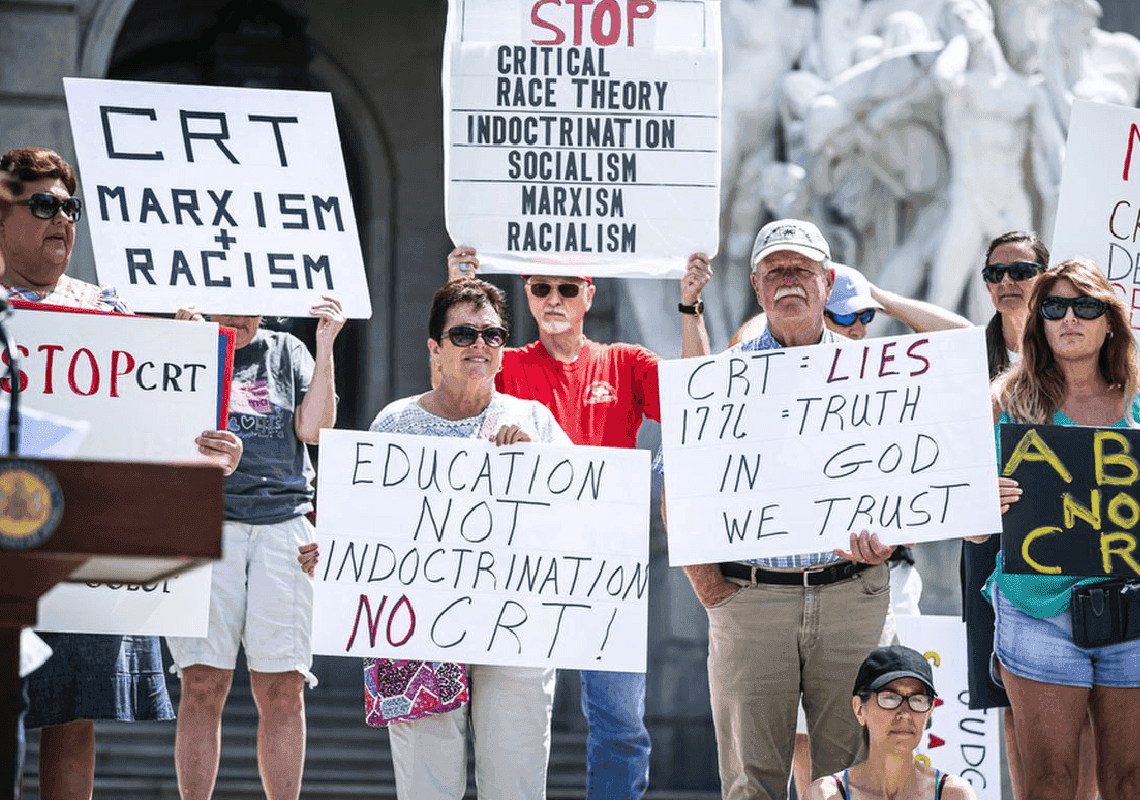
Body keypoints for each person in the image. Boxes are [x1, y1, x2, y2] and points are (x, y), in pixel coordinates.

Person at [0, 146, 243, 800]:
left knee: (73, 713)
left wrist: (205, 444)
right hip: (5, 539)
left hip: (81, 538)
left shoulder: (108, 309)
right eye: (44, 205)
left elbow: (148, 420)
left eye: (71, 208)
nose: (62, 221)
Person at [443, 247, 711, 799]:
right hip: (523, 562)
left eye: (568, 289)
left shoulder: (626, 361)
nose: (554, 300)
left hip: (606, 564)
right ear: (526, 295)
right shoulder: (507, 363)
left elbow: (698, 400)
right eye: (541, 289)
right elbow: (448, 387)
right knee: (515, 721)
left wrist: (689, 307)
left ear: (590, 294)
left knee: (618, 723)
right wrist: (460, 298)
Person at [302, 277, 571, 798]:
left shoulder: (535, 421)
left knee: (515, 784)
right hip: (414, 634)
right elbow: (364, 526)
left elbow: (575, 520)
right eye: (464, 334)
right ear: (435, 348)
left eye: (492, 335)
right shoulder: (395, 424)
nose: (479, 346)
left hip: (512, 626)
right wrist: (335, 553)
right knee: (428, 788)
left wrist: (539, 463)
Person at [680, 218, 893, 800]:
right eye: (776, 271)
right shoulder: (718, 380)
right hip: (753, 600)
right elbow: (682, 487)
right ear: (756, 286)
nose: (789, 281)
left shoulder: (877, 377)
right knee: (752, 781)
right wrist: (711, 589)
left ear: (828, 282)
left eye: (801, 270)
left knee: (852, 781)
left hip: (853, 595)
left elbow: (909, 476)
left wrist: (895, 540)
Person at [166, 292, 345, 800]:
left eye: (247, 304)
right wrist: (183, 347)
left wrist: (326, 345)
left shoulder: (287, 349)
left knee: (285, 689)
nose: (235, 316)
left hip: (282, 525)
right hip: (205, 522)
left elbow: (315, 428)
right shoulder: (185, 344)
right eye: (223, 303)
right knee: (201, 685)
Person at [978, 258, 1140, 800]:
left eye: (1086, 306)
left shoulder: (1138, 403)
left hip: (1133, 609)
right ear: (1039, 322)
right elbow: (973, 531)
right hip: (1038, 609)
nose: (1070, 317)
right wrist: (981, 503)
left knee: (1130, 780)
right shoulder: (1006, 401)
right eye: (1054, 307)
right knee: (1048, 783)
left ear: (1110, 320)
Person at [803, 645, 975, 800]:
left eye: (918, 700)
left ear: (929, 712)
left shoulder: (953, 794)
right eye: (889, 698)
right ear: (859, 709)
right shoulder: (826, 795)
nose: (905, 713)